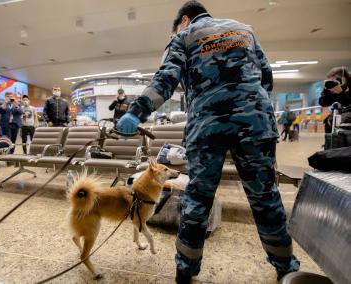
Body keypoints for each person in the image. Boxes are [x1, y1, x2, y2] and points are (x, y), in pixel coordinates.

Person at [116, 1, 300, 283]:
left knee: (197, 201)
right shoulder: (245, 30)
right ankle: (286, 267)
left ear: (184, 20)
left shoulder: (184, 36)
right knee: (265, 198)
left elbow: (166, 78)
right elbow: (266, 77)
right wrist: (251, 109)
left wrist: (136, 111)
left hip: (207, 128)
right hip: (256, 124)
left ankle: (185, 271)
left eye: (177, 26)